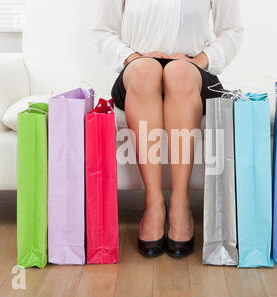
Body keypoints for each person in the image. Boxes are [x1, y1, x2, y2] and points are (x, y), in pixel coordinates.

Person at [94, 0, 243, 258]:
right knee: (144, 71)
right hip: (137, 71)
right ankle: (152, 203)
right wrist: (133, 57)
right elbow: (103, 31)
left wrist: (198, 60)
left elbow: (232, 30)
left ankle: (180, 203)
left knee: (179, 72)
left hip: (192, 74)